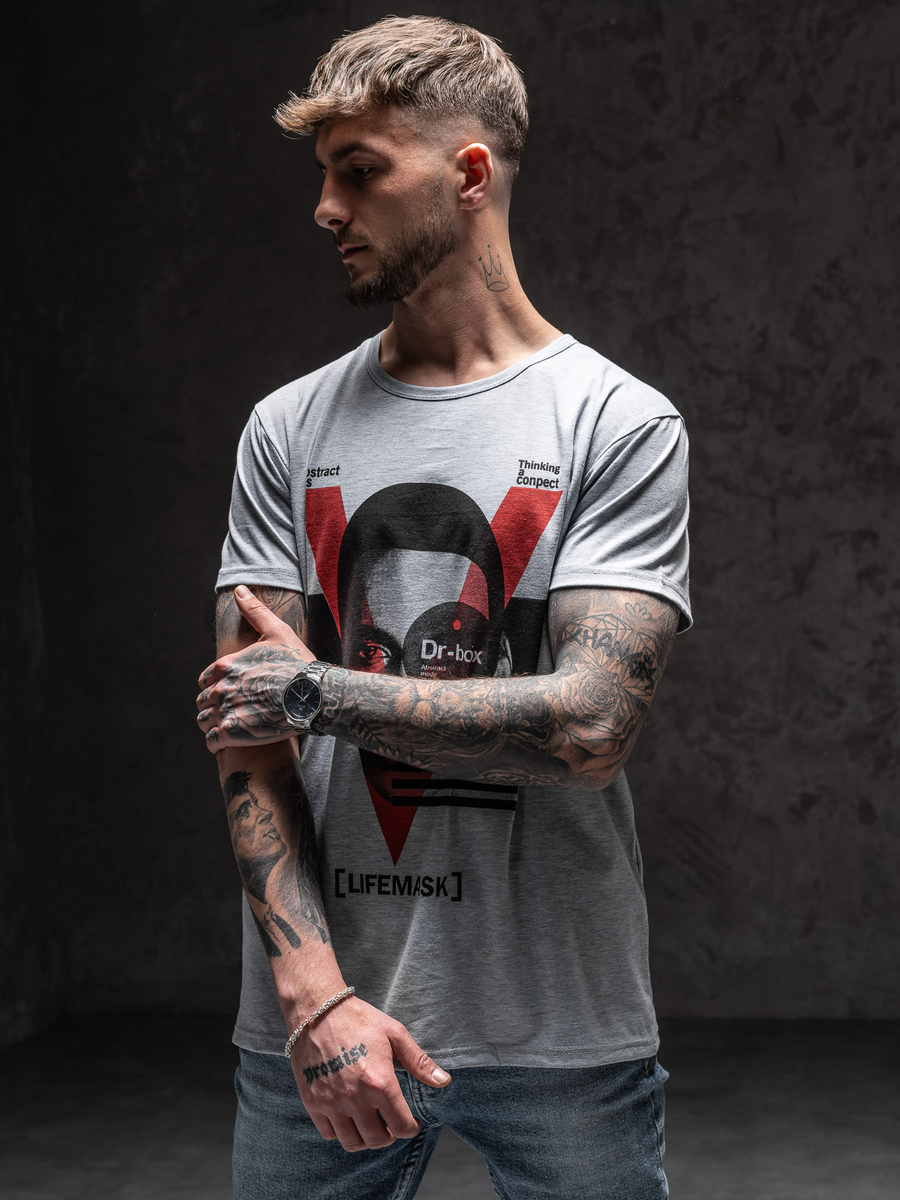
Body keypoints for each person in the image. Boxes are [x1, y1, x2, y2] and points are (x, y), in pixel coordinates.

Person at [196, 15, 691, 1199]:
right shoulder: (286, 428)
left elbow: (590, 725)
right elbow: (247, 735)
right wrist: (315, 999)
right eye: (324, 174)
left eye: (360, 170)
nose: (326, 207)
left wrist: (315, 690)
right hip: (322, 1026)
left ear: (469, 174)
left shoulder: (616, 424)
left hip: (560, 1023)